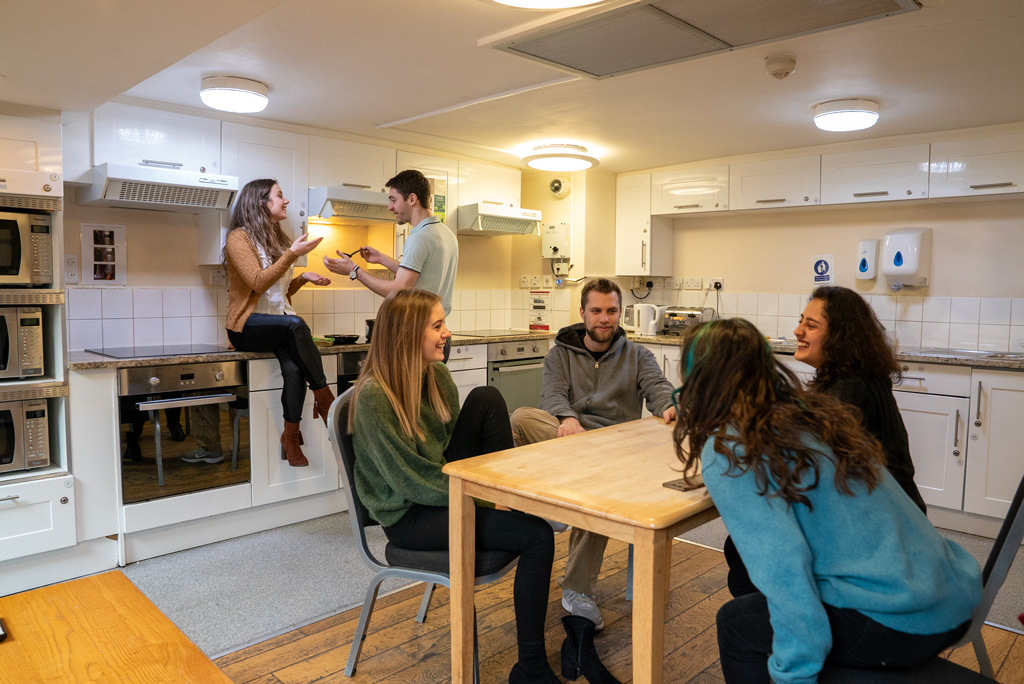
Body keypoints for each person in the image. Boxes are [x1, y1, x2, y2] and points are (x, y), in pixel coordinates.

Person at [671, 318, 981, 684]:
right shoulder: (813, 415)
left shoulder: (730, 448)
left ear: (696, 377)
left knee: (736, 624)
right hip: (952, 597)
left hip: (904, 621)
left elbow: (783, 566)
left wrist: (795, 673)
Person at [349, 289, 558, 684]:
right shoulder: (374, 398)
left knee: (487, 397)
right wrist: (480, 500)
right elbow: (410, 480)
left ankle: (509, 496)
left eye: (444, 323)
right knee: (537, 536)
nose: (447, 332)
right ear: (409, 334)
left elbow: (452, 455)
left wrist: (489, 496)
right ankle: (530, 670)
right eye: (437, 325)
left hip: (442, 486)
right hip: (408, 515)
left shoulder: (436, 376)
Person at [509, 277, 675, 629]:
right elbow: (551, 396)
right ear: (582, 312)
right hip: (569, 439)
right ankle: (541, 508)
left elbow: (658, 389)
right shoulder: (559, 354)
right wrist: (567, 417)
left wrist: (671, 407)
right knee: (520, 418)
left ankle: (577, 589)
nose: (604, 318)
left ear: (620, 314)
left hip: (614, 451)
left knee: (599, 496)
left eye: (612, 311)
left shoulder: (638, 355)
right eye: (597, 310)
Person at [224, 178, 335, 468]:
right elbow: (257, 283)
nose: (286, 201)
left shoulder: (275, 239)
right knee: (296, 324)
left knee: (295, 370)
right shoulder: (238, 238)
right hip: (246, 327)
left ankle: (291, 435)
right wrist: (292, 255)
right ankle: (326, 400)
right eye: (280, 195)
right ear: (262, 202)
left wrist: (302, 278)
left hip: (279, 324)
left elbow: (278, 294)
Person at [795, 285, 927, 512]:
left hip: (888, 516)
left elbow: (820, 459)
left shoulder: (851, 386)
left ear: (839, 337)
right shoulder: (850, 377)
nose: (798, 331)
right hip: (885, 506)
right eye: (801, 321)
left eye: (811, 325)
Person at [322, 169, 458, 360]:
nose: (389, 207)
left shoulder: (419, 238)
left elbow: (398, 289)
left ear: (412, 199)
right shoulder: (446, 234)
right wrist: (383, 259)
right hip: (440, 335)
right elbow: (422, 275)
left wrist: (354, 271)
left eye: (393, 200)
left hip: (418, 336)